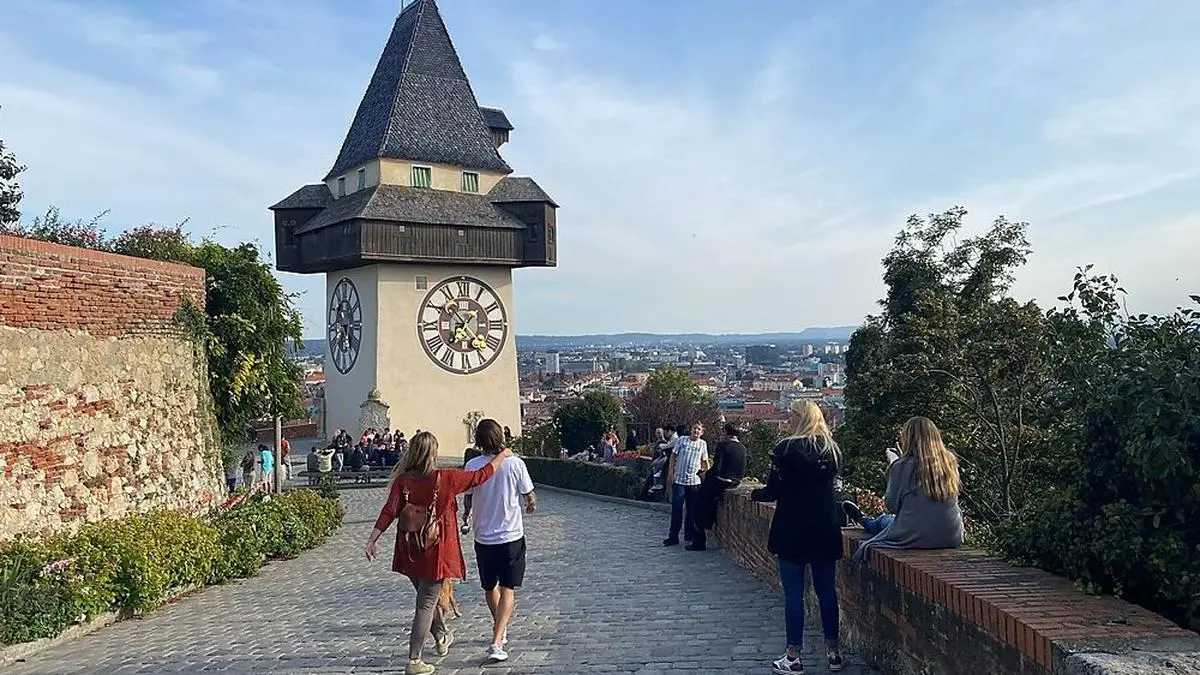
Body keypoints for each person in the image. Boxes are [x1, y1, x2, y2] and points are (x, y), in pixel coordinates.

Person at [364, 432, 512, 675]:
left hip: (410, 548)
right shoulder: (445, 478)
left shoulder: (403, 481)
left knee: (428, 600)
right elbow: (480, 476)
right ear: (433, 453)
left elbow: (389, 511)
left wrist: (373, 539)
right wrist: (502, 457)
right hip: (435, 549)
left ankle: (442, 634)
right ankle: (414, 660)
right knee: (425, 604)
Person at [751, 399, 844, 674]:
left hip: (792, 527)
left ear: (799, 418)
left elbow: (773, 491)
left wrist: (755, 494)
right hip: (825, 527)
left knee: (794, 594)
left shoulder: (786, 449)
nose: (788, 419)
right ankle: (834, 652)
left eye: (791, 415)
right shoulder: (832, 451)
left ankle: (793, 656)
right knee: (827, 591)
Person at [461, 419, 537, 663]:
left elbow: (468, 499)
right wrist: (530, 503)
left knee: (489, 587)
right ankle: (497, 640)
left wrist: (466, 513)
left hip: (483, 536)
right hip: (510, 536)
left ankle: (500, 630)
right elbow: (529, 496)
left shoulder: (472, 465)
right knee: (508, 589)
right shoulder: (514, 464)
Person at [846, 417, 963, 564]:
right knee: (889, 521)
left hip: (915, 534)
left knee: (885, 520)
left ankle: (865, 521)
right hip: (950, 535)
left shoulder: (901, 466)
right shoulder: (949, 461)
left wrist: (895, 464)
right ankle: (865, 520)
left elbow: (892, 506)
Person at [691, 422, 747, 550]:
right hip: (736, 482)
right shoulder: (743, 448)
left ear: (726, 433)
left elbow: (717, 467)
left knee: (698, 503)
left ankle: (699, 541)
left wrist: (705, 474)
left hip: (721, 481)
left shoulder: (723, 445)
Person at [663, 423, 709, 547]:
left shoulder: (702, 444)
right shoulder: (682, 440)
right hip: (680, 480)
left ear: (702, 432)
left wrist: (706, 475)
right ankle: (673, 536)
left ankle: (690, 535)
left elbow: (705, 461)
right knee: (677, 509)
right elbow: (673, 456)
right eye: (694, 428)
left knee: (692, 510)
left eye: (699, 429)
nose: (696, 431)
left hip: (694, 481)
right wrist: (671, 472)